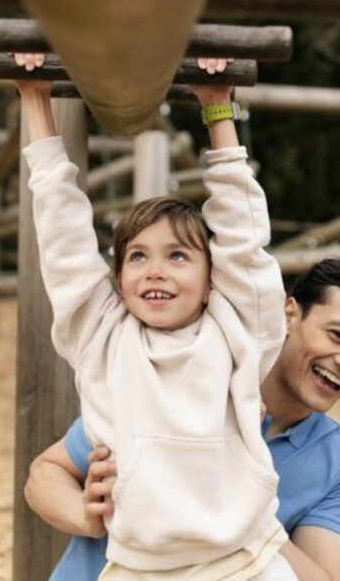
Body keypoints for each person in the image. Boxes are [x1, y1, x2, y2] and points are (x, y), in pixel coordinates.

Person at [16, 54, 293, 578]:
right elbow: (63, 238)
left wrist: (217, 108)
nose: (155, 271)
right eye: (137, 257)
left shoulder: (238, 332)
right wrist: (35, 98)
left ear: (213, 279)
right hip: (138, 568)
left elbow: (243, 239)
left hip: (244, 562)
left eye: (178, 255)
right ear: (117, 279)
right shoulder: (103, 338)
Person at [26, 257, 340, 581]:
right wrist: (83, 514)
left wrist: (248, 513)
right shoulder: (183, 380)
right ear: (289, 315)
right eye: (338, 335)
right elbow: (45, 473)